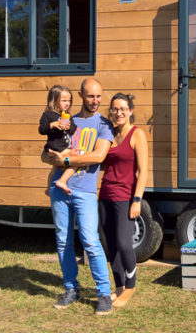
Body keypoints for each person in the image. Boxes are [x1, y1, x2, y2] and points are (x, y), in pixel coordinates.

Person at [42, 77, 114, 316]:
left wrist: (64, 160)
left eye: (99, 96)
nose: (96, 101)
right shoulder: (66, 120)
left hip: (84, 190)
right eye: (91, 96)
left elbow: (98, 156)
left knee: (91, 241)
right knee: (63, 240)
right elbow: (46, 154)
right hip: (59, 188)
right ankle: (70, 288)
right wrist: (53, 160)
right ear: (82, 96)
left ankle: (104, 293)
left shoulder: (104, 124)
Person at [99, 92, 148, 309]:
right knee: (110, 244)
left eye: (123, 109)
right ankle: (118, 286)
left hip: (125, 197)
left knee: (123, 242)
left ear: (130, 111)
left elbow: (143, 170)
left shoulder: (137, 134)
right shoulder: (109, 133)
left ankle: (130, 286)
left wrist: (137, 199)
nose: (119, 113)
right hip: (105, 195)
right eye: (115, 109)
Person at [38, 85, 78, 195]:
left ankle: (48, 188)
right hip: (55, 148)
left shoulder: (68, 115)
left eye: (69, 101)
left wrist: (69, 127)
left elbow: (73, 130)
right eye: (64, 100)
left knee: (55, 168)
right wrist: (52, 125)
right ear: (54, 100)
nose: (67, 103)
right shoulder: (48, 115)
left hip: (63, 148)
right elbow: (41, 129)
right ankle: (62, 181)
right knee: (77, 160)